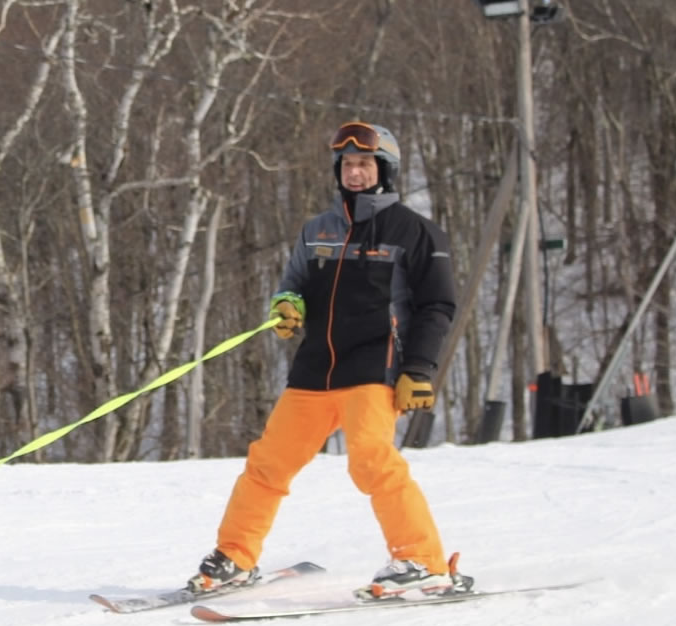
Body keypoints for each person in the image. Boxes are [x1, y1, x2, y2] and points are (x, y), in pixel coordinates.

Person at [188, 121, 471, 600]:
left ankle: (421, 560)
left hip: (374, 366)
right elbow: (293, 283)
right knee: (267, 465)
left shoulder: (416, 231)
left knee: (371, 462)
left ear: (384, 169)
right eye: (347, 164)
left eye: (364, 163)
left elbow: (438, 306)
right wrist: (286, 306)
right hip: (314, 368)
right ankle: (235, 557)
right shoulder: (318, 228)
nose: (354, 172)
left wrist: (419, 369)